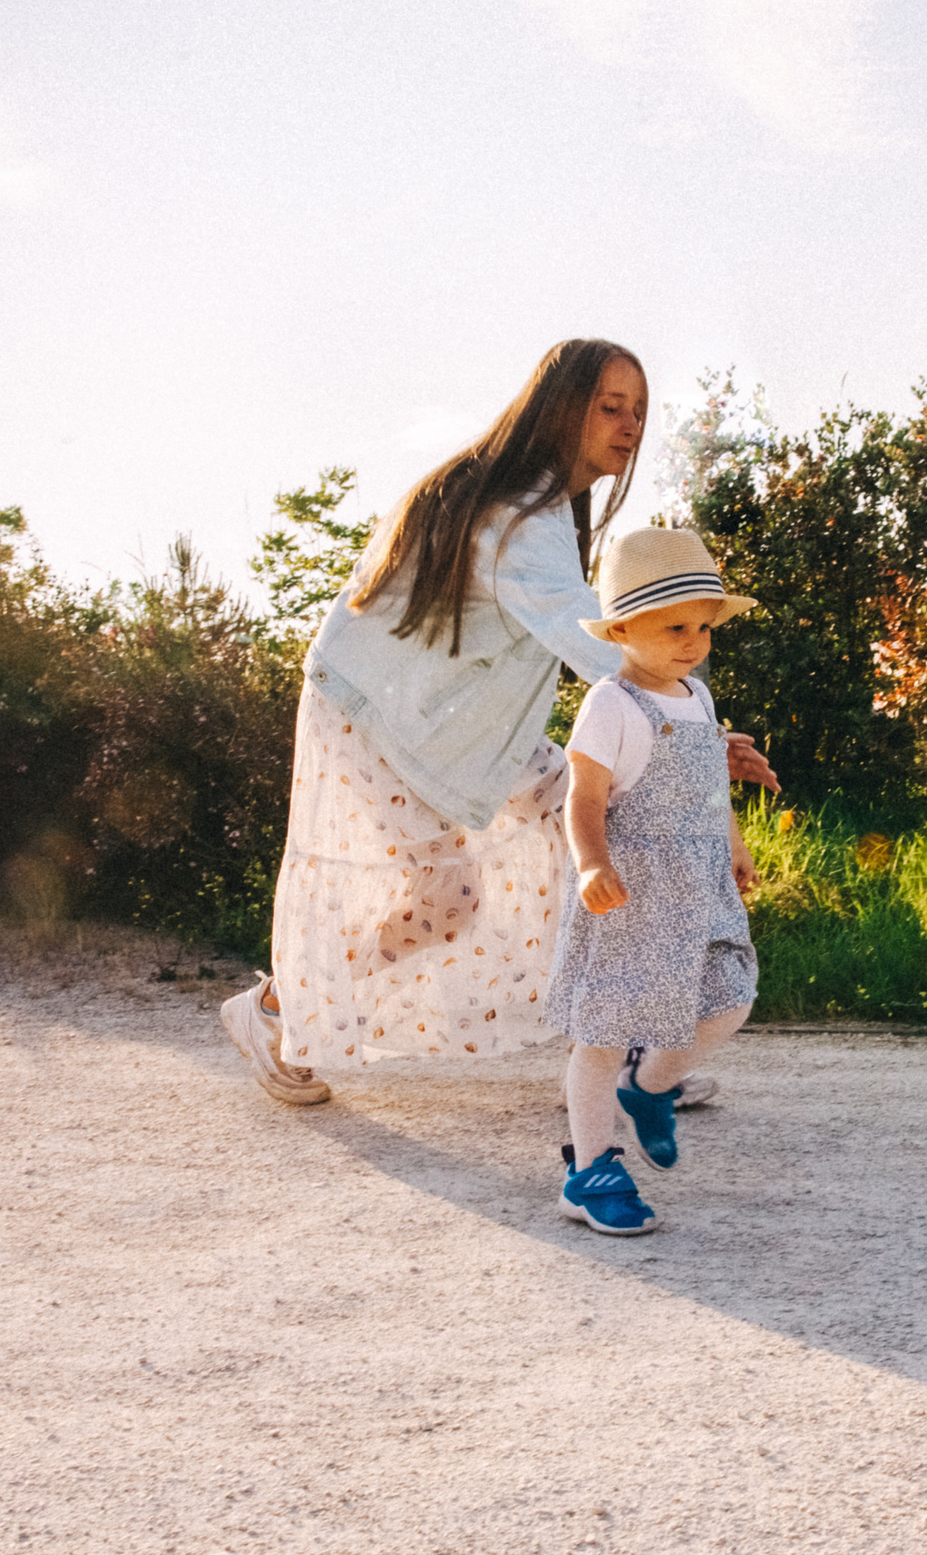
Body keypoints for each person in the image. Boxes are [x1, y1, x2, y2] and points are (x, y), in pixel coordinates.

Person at [218, 339, 779, 1104]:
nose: (630, 425)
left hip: (461, 724)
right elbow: (603, 646)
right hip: (379, 714)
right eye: (610, 407)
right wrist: (695, 730)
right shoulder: (521, 518)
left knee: (596, 822)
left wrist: (694, 740)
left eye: (639, 411)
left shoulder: (538, 506)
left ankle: (629, 1056)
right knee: (453, 898)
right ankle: (276, 1008)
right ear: (563, 410)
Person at [548, 528, 760, 1235]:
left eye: (704, 626)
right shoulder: (610, 704)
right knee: (603, 1033)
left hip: (700, 887)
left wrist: (734, 844)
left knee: (730, 998)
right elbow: (582, 797)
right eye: (675, 627)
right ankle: (590, 1171)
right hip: (631, 893)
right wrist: (591, 862)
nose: (694, 642)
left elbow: (709, 787)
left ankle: (650, 1085)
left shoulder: (697, 696)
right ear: (620, 629)